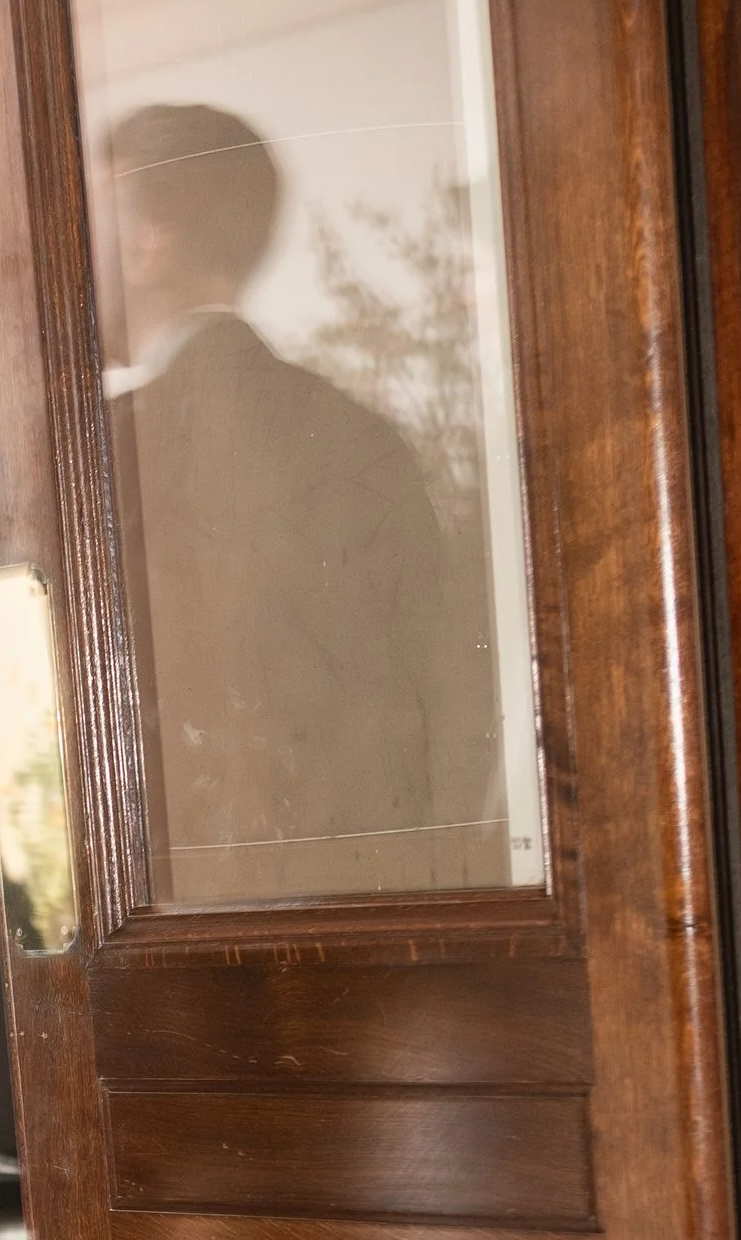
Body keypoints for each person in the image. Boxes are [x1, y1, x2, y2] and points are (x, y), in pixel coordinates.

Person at [104, 101, 499, 903]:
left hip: (187, 926)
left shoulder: (108, 459)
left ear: (149, 241)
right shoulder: (363, 436)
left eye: (93, 219)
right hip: (377, 912)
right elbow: (445, 701)